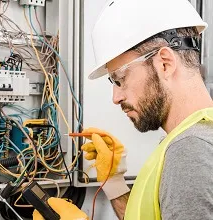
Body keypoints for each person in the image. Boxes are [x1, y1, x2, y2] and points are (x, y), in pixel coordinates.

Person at [33, 0, 213, 219]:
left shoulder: (190, 150)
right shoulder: (191, 138)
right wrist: (113, 182)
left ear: (164, 63)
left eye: (120, 79)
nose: (116, 98)